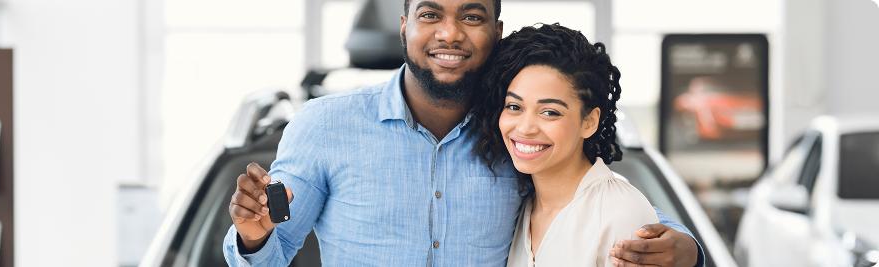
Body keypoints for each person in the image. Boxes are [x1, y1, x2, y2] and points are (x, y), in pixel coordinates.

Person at [225, 0, 704, 266]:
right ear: (404, 25)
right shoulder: (323, 125)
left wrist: (684, 246)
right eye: (430, 14)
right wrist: (251, 238)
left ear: (496, 30)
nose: (450, 33)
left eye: (471, 16)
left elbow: (598, 204)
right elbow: (275, 250)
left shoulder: (520, 133)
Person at [471, 22, 659, 266]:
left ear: (589, 122)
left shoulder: (620, 213)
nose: (526, 127)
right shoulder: (521, 209)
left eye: (549, 112)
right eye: (514, 107)